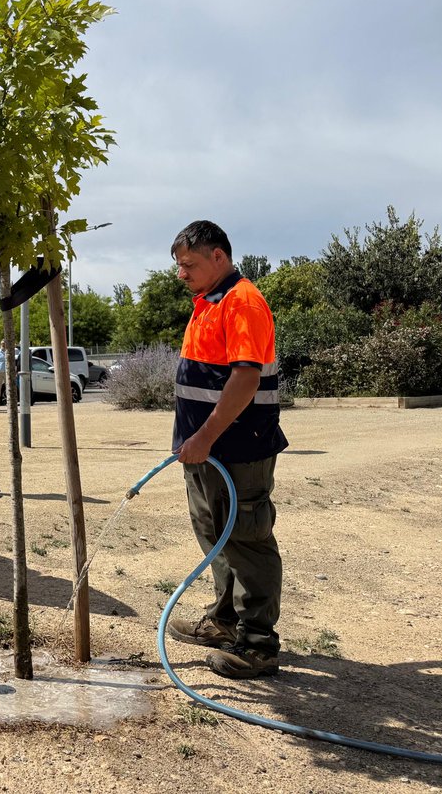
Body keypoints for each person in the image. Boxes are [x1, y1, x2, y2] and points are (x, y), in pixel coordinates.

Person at [167, 220, 287, 680]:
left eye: (189, 265)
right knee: (216, 536)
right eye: (179, 265)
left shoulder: (243, 303)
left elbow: (245, 378)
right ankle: (224, 621)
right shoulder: (208, 302)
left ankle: (259, 645)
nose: (182, 274)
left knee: (247, 539)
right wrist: (193, 441)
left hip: (237, 449)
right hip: (204, 452)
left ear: (219, 256)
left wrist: (204, 437)